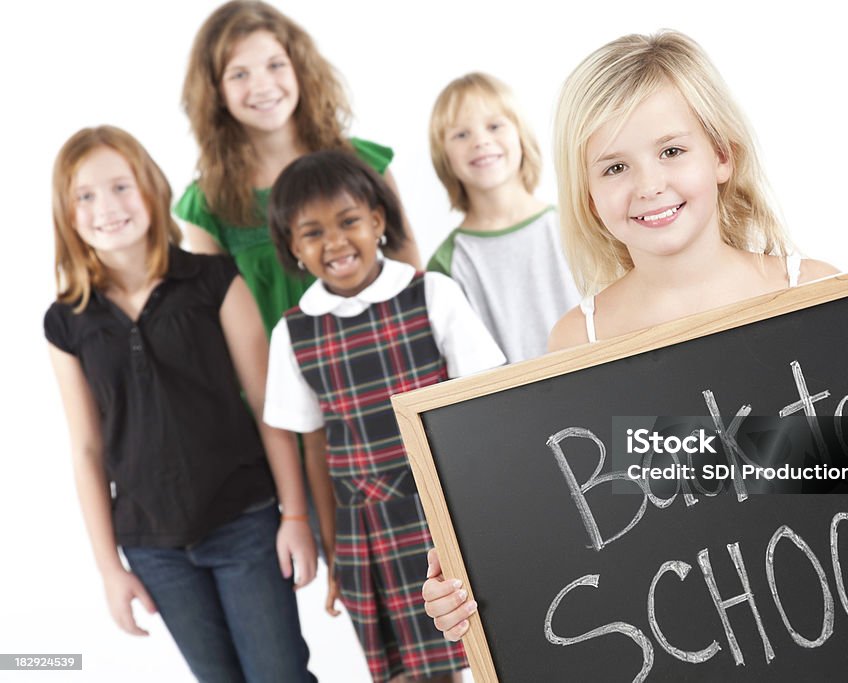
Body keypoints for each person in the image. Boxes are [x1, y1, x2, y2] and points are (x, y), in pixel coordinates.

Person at [421, 30, 838, 641]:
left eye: (672, 151)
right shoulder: (576, 343)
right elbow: (573, 526)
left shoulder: (817, 293)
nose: (648, 185)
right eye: (615, 166)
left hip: (836, 620)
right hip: (692, 638)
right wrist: (471, 579)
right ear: (588, 196)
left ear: (721, 155)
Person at [44, 126, 318, 682]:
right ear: (68, 215)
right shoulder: (66, 322)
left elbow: (270, 404)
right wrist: (108, 569)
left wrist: (294, 514)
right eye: (86, 196)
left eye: (121, 187)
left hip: (245, 524)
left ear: (150, 189)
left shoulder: (212, 280)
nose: (107, 208)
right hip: (154, 548)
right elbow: (87, 450)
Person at [262, 150, 505, 682]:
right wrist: (335, 558)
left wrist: (491, 515)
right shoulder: (294, 332)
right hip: (368, 532)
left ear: (377, 219)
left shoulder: (431, 295)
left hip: (445, 511)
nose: (335, 243)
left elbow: (482, 408)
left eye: (349, 221)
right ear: (293, 247)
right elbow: (315, 450)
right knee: (406, 673)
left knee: (487, 653)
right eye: (312, 232)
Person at [176, 0, 421, 335]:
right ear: (215, 91)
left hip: (384, 361)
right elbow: (217, 326)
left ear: (300, 69)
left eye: (275, 65)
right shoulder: (208, 205)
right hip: (278, 381)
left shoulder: (363, 164)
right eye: (239, 74)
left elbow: (411, 275)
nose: (262, 86)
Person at [426, 72, 578, 362]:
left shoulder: (575, 225)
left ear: (521, 136)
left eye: (494, 126)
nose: (480, 141)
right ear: (444, 156)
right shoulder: (446, 264)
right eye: (461, 134)